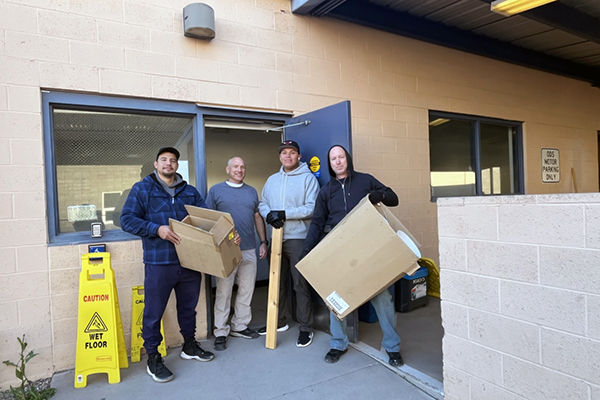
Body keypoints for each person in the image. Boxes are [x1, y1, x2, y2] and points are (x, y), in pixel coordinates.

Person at [121, 147, 237, 383]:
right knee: (153, 312)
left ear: (177, 165)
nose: (168, 164)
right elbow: (127, 220)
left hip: (190, 262)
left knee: (188, 308)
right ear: (155, 164)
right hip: (159, 262)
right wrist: (157, 229)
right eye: (164, 160)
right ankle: (153, 358)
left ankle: (189, 346)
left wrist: (229, 235)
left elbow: (206, 221)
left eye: (173, 160)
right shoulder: (142, 189)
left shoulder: (190, 192)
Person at [300, 145, 404, 367]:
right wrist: (307, 251)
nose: (338, 161)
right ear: (329, 163)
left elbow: (393, 198)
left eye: (341, 157)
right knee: (337, 299)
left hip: (367, 249)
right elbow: (317, 223)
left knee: (382, 297)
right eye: (333, 159)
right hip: (340, 252)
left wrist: (380, 195)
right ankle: (338, 343)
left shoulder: (365, 181)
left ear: (347, 159)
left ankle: (392, 347)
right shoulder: (326, 191)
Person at [258, 140, 320, 348]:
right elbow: (263, 203)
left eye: (292, 152)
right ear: (280, 157)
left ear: (299, 156)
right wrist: (269, 216)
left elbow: (311, 208)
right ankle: (278, 322)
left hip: (297, 238)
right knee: (277, 283)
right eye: (284, 153)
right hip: (276, 237)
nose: (287, 156)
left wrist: (285, 214)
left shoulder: (308, 179)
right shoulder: (272, 180)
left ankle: (305, 328)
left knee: (299, 284)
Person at [206, 156, 268, 351]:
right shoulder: (216, 190)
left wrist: (263, 241)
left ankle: (240, 326)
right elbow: (209, 220)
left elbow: (257, 217)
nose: (239, 170)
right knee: (224, 291)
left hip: (249, 248)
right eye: (235, 166)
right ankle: (221, 331)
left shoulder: (251, 191)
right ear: (227, 169)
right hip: (226, 251)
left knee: (247, 289)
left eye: (242, 167)